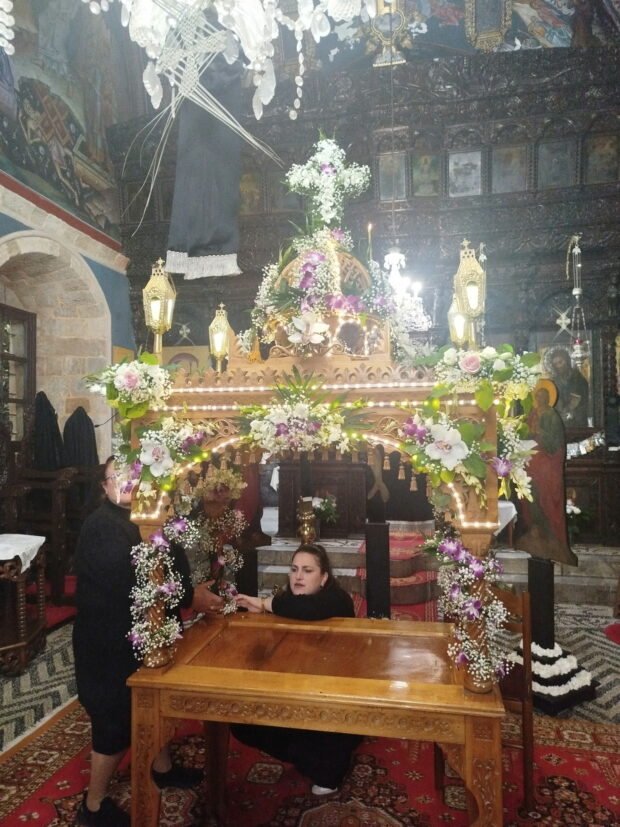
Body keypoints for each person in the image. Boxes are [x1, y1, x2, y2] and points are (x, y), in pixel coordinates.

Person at [72, 457, 224, 826]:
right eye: (118, 476)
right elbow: (129, 583)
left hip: (151, 631)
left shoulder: (150, 517)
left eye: (134, 475)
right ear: (104, 487)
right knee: (115, 721)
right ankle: (93, 805)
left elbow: (172, 565)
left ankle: (163, 768)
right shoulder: (103, 526)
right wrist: (189, 597)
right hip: (111, 641)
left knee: (154, 704)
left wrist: (188, 592)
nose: (127, 482)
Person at [233, 544, 362, 795]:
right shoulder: (287, 600)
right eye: (294, 569)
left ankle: (330, 766)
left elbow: (308, 610)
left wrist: (264, 603)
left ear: (324, 578)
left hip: (332, 697)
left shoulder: (337, 600)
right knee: (240, 720)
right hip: (299, 687)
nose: (298, 576)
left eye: (307, 570)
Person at [515, 382, 577, 566]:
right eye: (537, 396)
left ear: (548, 398)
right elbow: (525, 434)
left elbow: (555, 443)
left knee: (547, 497)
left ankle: (551, 537)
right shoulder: (532, 413)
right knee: (532, 496)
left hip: (548, 465)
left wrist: (539, 433)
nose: (539, 399)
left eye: (543, 396)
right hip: (532, 464)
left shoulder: (551, 415)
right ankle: (534, 531)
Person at [546, 346, 590, 427]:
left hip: (578, 420)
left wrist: (572, 411)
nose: (558, 366)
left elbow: (584, 397)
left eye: (560, 362)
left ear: (566, 360)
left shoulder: (577, 377)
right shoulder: (554, 381)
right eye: (555, 364)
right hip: (561, 420)